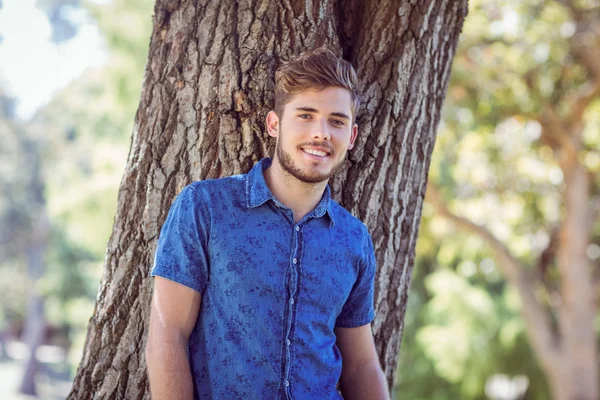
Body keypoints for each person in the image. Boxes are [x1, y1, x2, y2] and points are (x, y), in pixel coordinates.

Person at [146, 48, 389, 400]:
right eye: (305, 115)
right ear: (275, 124)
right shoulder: (206, 207)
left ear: (351, 137)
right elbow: (168, 333)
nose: (321, 133)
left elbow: (361, 366)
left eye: (336, 121)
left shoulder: (354, 239)